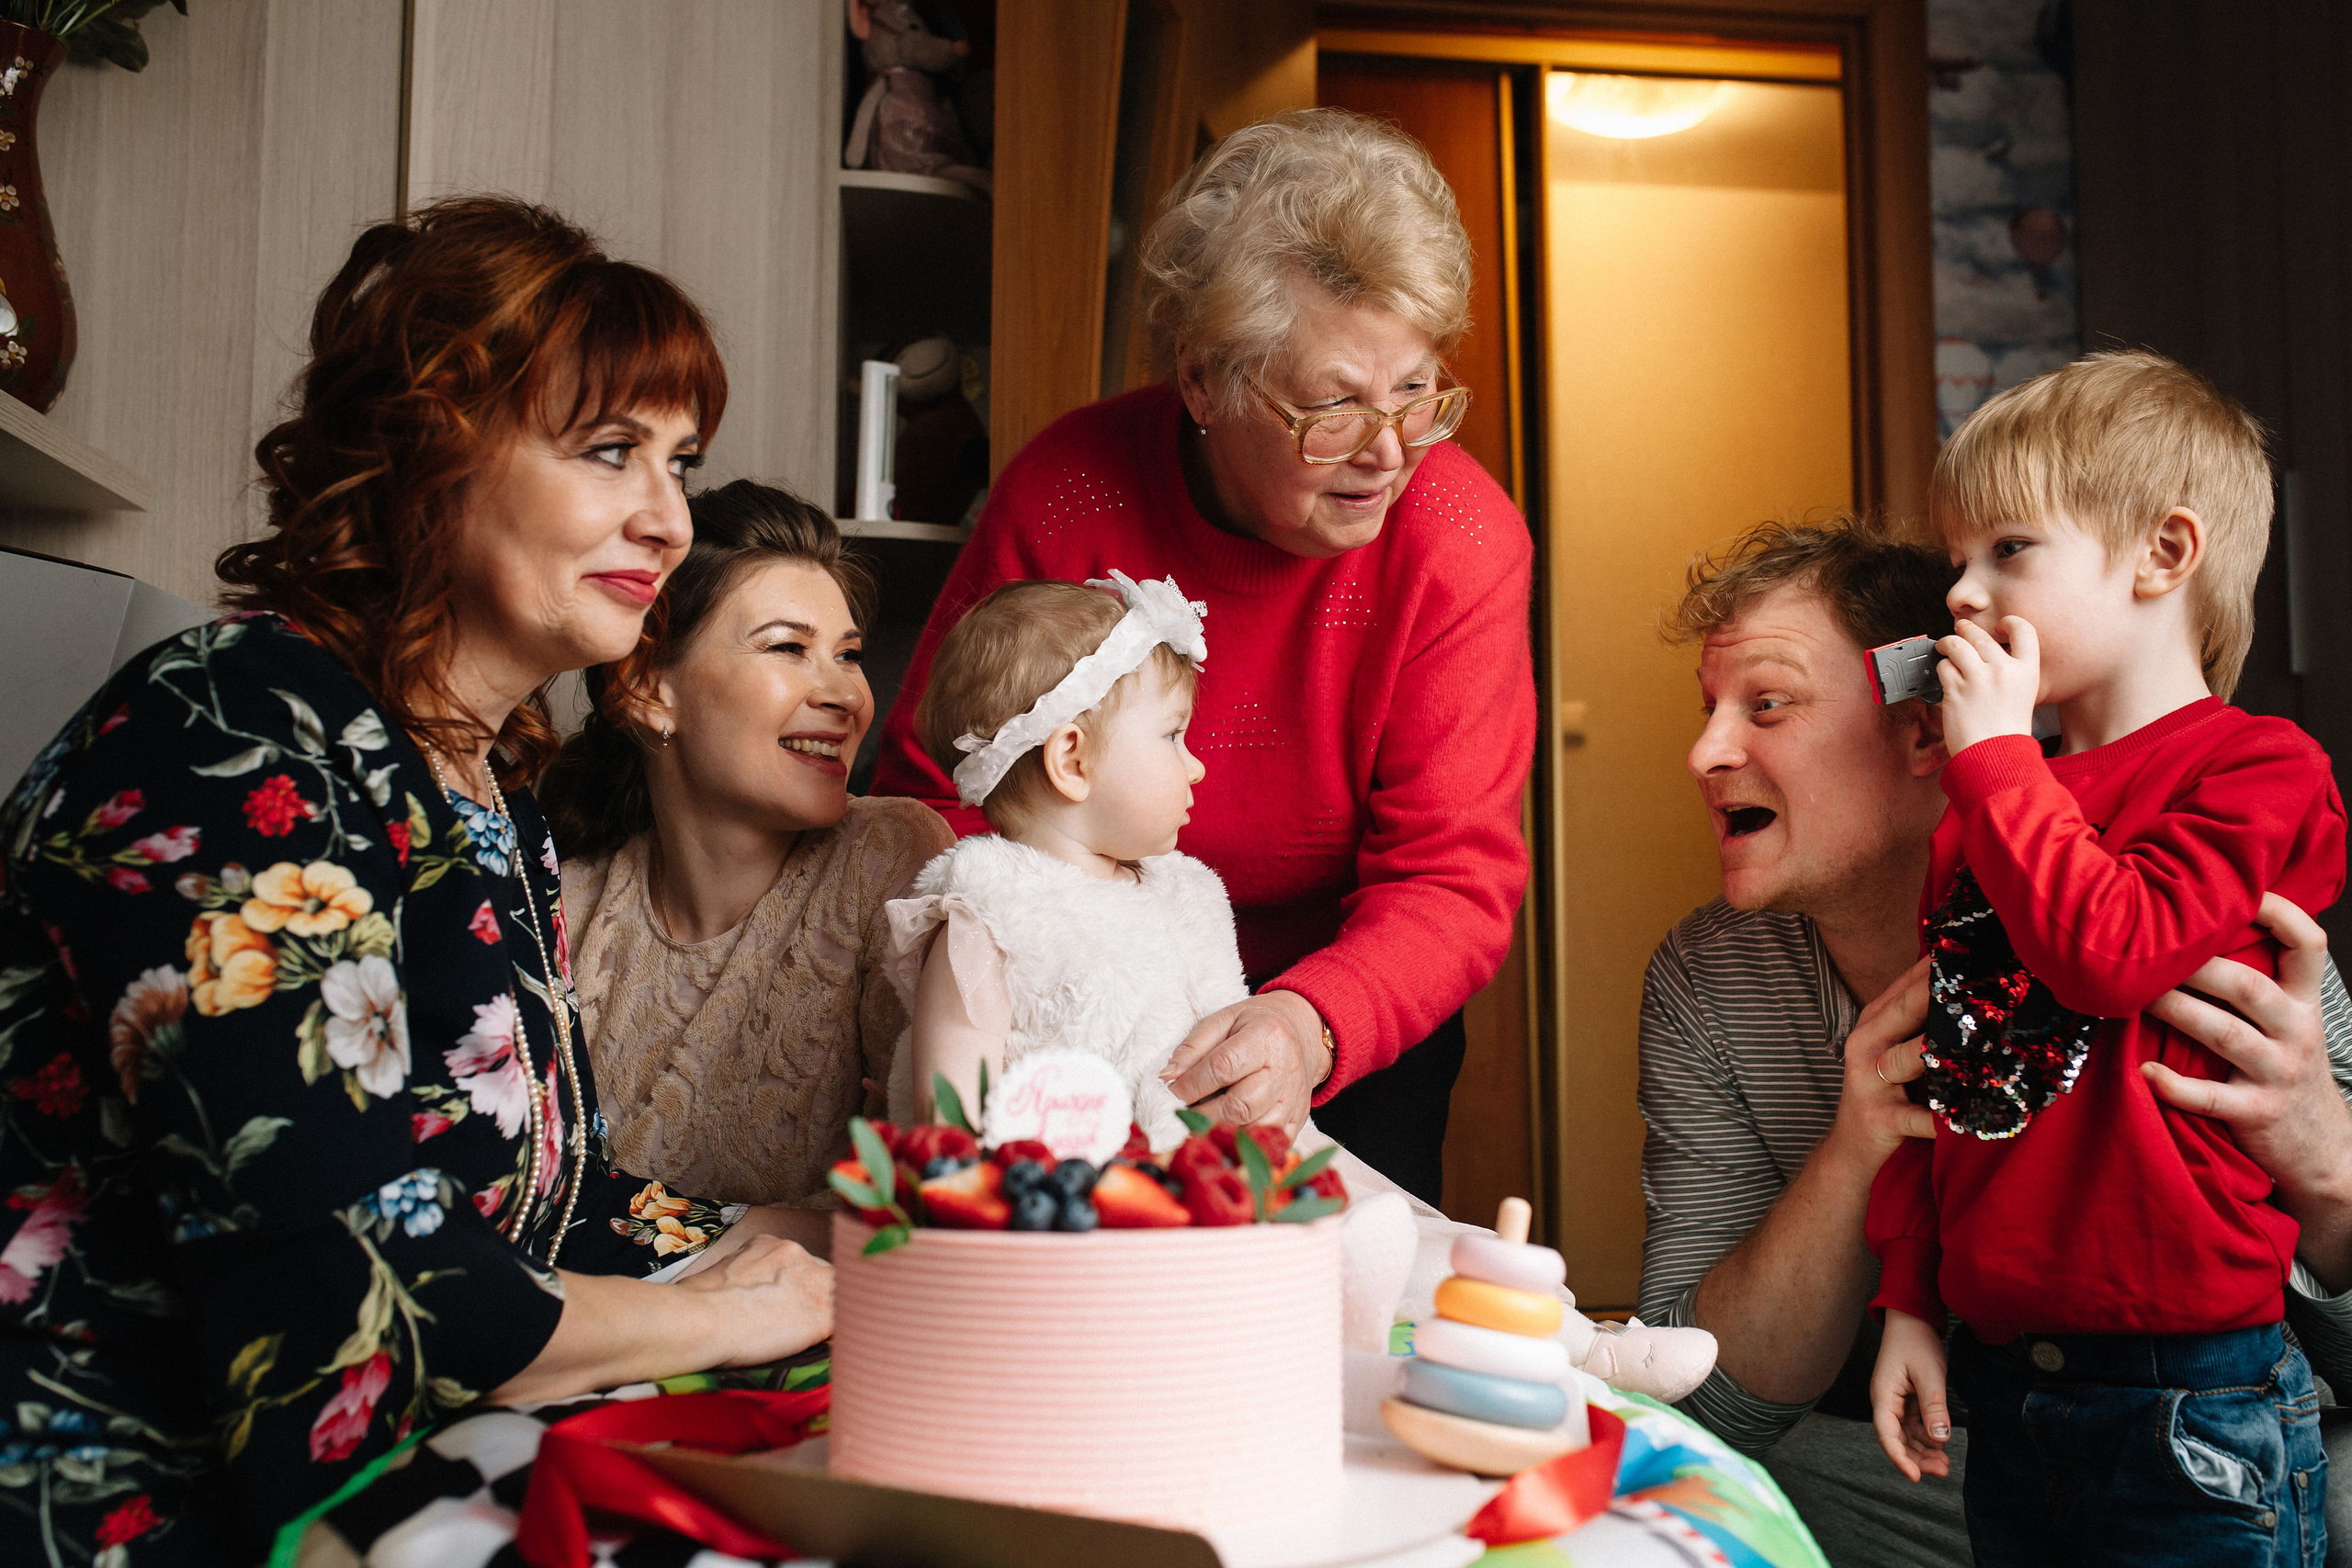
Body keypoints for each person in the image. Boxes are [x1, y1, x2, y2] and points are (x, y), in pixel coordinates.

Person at [0, 197, 832, 1565]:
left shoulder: (491, 794)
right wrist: (738, 1310)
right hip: (141, 1497)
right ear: (429, 449)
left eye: (681, 462)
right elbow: (350, 1279)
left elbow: (546, 1203)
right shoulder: (235, 732)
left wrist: (830, 1232)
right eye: (610, 451)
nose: (669, 518)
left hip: (395, 1456)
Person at [1637, 513, 2352, 1568]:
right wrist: (1858, 1148)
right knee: (1675, 1487)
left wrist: (2327, 1169)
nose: (1705, 754)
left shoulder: (2182, 914)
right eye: (1708, 712)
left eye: (1769, 707)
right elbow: (1703, 1400)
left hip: (2207, 1430)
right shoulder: (1711, 977)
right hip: (1923, 1458)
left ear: (1933, 732)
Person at [870, 108, 1535, 1203]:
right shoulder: (1069, 492)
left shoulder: (1459, 539)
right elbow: (940, 791)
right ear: (1202, 381)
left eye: (1417, 391)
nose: (1387, 453)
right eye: (1332, 404)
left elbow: (1450, 877)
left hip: (1342, 1012)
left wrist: (1310, 1026)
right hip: (1075, 996)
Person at [1861, 352, 2343, 1562]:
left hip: (2196, 1397)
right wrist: (1910, 1298)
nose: (1962, 595)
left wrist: (1994, 766)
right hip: (2007, 1381)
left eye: (2009, 550)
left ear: (2163, 554)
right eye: (1955, 560)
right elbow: (1951, 1076)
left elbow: (2114, 953)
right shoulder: (1986, 805)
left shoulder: (2261, 765)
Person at [542, 480, 950, 1213]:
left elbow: (926, 1196)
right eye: (789, 647)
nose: (849, 695)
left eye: (849, 654)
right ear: (645, 688)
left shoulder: (890, 858)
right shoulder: (564, 904)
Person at [884, 572, 1237, 1149]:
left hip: (1206, 1191)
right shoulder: (991, 917)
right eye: (1173, 735)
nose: (1195, 766)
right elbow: (952, 1123)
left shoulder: (1186, 891)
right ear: (1072, 761)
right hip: (1059, 1210)